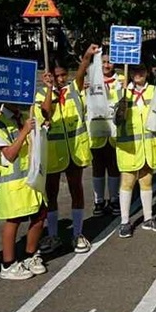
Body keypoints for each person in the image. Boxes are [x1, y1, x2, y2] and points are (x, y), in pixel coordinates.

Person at [36, 46, 98, 254]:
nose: (61, 79)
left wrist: (87, 55)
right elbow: (45, 113)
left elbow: (81, 74)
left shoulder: (73, 90)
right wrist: (48, 90)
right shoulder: (41, 95)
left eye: (64, 75)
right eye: (56, 76)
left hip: (75, 150)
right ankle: (53, 234)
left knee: (76, 189)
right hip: (54, 153)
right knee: (51, 194)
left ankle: (78, 233)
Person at [0, 103, 48, 281]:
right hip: (13, 184)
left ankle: (30, 255)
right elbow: (10, 154)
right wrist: (25, 132)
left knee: (40, 215)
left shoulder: (23, 117)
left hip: (31, 179)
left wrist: (41, 131)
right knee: (14, 220)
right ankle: (8, 264)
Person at [114, 64, 156, 237]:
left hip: (150, 145)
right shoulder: (121, 90)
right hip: (129, 147)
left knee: (146, 180)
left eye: (142, 71)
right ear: (129, 73)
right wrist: (119, 107)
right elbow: (114, 120)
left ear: (147, 72)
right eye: (134, 71)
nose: (138, 74)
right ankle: (124, 222)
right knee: (127, 182)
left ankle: (148, 218)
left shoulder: (155, 90)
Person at [89, 51, 124, 217]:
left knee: (113, 166)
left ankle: (114, 198)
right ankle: (99, 200)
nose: (106, 65)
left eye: (110, 62)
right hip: (96, 130)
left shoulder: (122, 80)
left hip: (114, 131)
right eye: (103, 62)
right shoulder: (91, 81)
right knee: (97, 167)